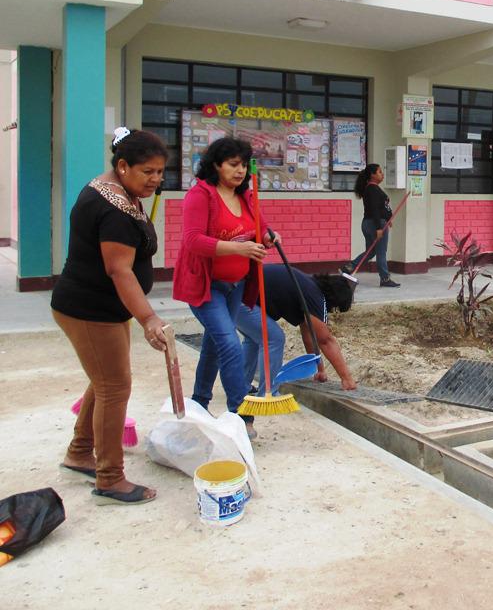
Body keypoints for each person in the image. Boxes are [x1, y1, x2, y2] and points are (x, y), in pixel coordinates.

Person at [51, 128, 168, 505]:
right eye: (147, 171)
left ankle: (80, 451)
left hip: (106, 307)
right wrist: (148, 318)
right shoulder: (111, 209)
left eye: (160, 172)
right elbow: (120, 270)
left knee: (103, 381)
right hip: (89, 309)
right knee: (114, 388)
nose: (155, 180)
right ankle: (109, 478)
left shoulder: (117, 192)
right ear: (122, 166)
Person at [173, 137, 273, 439]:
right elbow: (193, 241)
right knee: (229, 344)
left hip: (236, 286)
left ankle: (199, 404)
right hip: (207, 287)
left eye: (243, 164)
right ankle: (241, 416)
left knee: (214, 346)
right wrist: (239, 250)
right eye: (233, 164)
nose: (239, 170)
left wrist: (270, 236)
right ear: (216, 165)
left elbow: (262, 230)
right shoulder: (200, 196)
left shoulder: (245, 197)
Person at [237, 265, 358, 393]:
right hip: (242, 299)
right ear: (333, 300)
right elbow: (326, 341)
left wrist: (319, 369)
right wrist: (347, 378)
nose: (331, 312)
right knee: (274, 339)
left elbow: (309, 337)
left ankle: (240, 388)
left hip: (237, 294)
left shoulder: (308, 287)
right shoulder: (315, 297)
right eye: (334, 309)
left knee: (253, 340)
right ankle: (268, 393)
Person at [349, 163, 400, 288]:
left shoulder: (372, 188)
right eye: (379, 172)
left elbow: (381, 208)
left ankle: (349, 267)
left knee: (370, 252)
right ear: (372, 175)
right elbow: (375, 210)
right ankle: (385, 278)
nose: (382, 174)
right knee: (381, 252)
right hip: (375, 224)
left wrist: (388, 218)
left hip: (370, 223)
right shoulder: (372, 189)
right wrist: (379, 227)